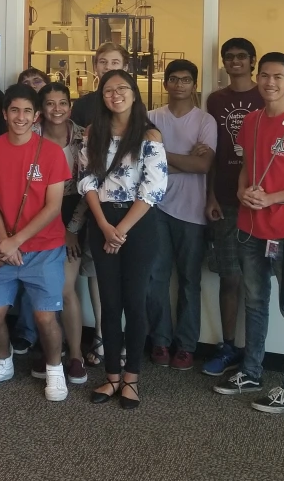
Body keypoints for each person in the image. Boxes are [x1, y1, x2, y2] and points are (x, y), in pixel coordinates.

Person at [213, 53, 284, 414]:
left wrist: (272, 198)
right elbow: (249, 167)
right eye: (264, 76)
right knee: (255, 303)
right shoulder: (251, 122)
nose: (270, 82)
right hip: (250, 228)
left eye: (278, 77)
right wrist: (242, 192)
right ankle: (251, 372)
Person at [0, 84, 72, 400]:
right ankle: (3, 363)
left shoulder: (52, 153)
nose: (20, 116)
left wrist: (16, 241)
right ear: (4, 114)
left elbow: (53, 207)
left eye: (27, 111)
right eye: (14, 110)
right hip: (6, 246)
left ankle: (55, 370)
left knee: (45, 316)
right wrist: (5, 241)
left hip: (44, 248)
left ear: (37, 116)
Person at [78, 69, 168, 409]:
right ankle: (111, 376)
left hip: (138, 223)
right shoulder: (93, 132)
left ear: (134, 94)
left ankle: (132, 378)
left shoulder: (149, 135)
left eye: (122, 89)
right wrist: (103, 225)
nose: (114, 94)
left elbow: (154, 189)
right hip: (102, 220)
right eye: (107, 90)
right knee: (110, 304)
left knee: (134, 301)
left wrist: (122, 230)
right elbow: (86, 181)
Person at [146, 60, 217, 371]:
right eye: (173, 79)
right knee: (156, 278)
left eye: (186, 80)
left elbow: (203, 167)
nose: (179, 84)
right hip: (155, 208)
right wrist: (183, 160)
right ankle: (160, 341)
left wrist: (161, 158)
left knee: (190, 281)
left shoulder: (206, 121)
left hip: (193, 209)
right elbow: (143, 164)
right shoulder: (150, 118)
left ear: (194, 85)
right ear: (165, 84)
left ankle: (186, 346)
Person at [203, 38, 263, 377]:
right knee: (229, 277)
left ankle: (253, 353)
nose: (235, 62)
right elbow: (211, 152)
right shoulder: (216, 100)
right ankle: (228, 346)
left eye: (242, 57)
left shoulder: (263, 97)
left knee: (257, 282)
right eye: (230, 57)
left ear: (252, 61)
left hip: (259, 201)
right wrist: (210, 195)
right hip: (225, 199)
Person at [36, 82, 91, 385]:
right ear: (41, 108)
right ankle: (49, 352)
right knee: (43, 287)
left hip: (75, 211)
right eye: (49, 104)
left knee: (65, 289)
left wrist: (71, 230)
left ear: (70, 107)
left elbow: (89, 187)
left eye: (62, 103)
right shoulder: (31, 136)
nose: (56, 110)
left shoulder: (84, 136)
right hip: (40, 212)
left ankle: (75, 355)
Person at [72, 43, 130, 130]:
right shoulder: (81, 105)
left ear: (125, 67)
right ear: (95, 66)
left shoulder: (132, 103)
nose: (108, 67)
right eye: (103, 62)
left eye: (114, 63)